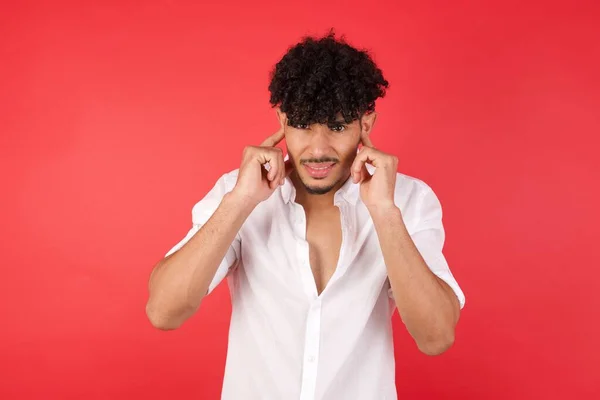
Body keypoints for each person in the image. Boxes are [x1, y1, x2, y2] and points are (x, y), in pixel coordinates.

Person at [146, 31, 466, 400]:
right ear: (282, 121)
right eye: (301, 125)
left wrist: (383, 212)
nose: (317, 149)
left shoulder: (408, 200)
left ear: (366, 124)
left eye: (337, 126)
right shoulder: (238, 192)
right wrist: (240, 202)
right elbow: (163, 312)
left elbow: (436, 337)